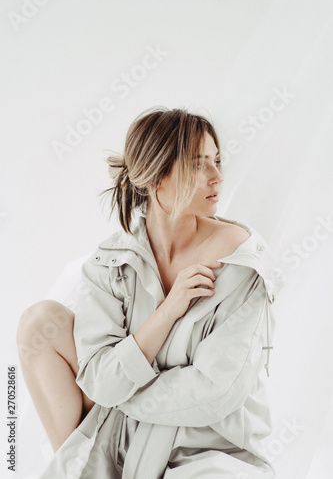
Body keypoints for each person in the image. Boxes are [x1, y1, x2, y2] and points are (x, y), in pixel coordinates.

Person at [17, 106, 278, 478]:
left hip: (204, 445)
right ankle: (79, 467)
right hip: (123, 434)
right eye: (197, 164)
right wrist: (168, 310)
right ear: (156, 178)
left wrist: (121, 392)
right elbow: (98, 378)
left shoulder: (240, 261)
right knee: (38, 322)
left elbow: (216, 390)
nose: (217, 177)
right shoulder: (111, 261)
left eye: (217, 161)